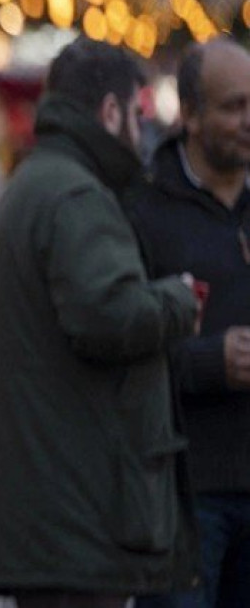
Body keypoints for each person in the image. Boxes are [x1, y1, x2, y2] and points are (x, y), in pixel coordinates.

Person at [0, 38, 201, 607]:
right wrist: (176, 300)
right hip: (76, 513)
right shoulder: (77, 195)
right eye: (137, 114)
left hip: (45, 512)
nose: (141, 131)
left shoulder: (31, 185)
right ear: (110, 111)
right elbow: (108, 316)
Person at [126, 38, 250, 608]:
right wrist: (208, 361)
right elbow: (118, 346)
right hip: (186, 491)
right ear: (192, 115)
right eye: (234, 106)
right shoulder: (145, 209)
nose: (249, 120)